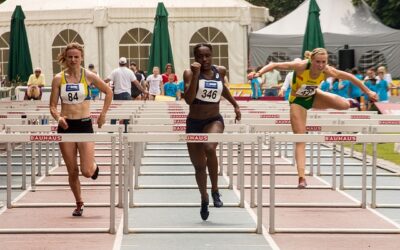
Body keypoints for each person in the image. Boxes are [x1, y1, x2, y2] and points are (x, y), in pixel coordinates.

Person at [253, 48, 377, 188]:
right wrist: (258, 73)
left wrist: (368, 91)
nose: (320, 65)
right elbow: (274, 65)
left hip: (314, 96)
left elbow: (350, 77)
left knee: (344, 105)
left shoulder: (327, 70)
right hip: (298, 102)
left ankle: (338, 102)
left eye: (323, 62)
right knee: (301, 139)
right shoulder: (301, 66)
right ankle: (301, 177)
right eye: (317, 62)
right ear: (311, 60)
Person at [49, 42, 113, 216]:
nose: (73, 60)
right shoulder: (58, 78)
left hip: (84, 125)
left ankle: (94, 166)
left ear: (81, 57)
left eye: (76, 56)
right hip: (66, 126)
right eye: (70, 56)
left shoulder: (89, 76)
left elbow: (108, 91)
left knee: (86, 171)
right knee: (72, 170)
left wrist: (103, 114)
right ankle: (79, 202)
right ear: (65, 58)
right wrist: (58, 118)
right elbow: (53, 106)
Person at [183, 43, 241, 220]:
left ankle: (215, 189)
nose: (205, 60)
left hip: (214, 119)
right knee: (199, 167)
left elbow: (223, 89)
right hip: (194, 122)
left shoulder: (220, 71)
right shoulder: (189, 73)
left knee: (209, 147)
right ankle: (204, 198)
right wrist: (195, 75)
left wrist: (235, 105)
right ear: (195, 58)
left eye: (207, 55)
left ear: (212, 55)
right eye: (200, 57)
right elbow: (189, 100)